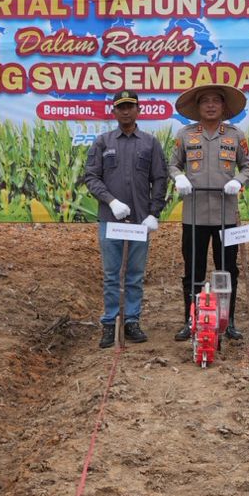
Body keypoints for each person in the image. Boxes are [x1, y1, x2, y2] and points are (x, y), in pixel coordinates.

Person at [168, 83, 249, 343]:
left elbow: (248, 167)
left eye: (216, 100)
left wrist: (238, 181)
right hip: (194, 215)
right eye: (205, 101)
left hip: (226, 216)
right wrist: (179, 177)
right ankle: (191, 319)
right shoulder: (185, 134)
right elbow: (173, 165)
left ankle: (227, 320)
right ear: (198, 107)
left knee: (227, 271)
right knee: (193, 270)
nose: (211, 105)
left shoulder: (235, 135)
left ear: (224, 106)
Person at [82, 91, 166, 348]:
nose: (126, 111)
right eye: (121, 107)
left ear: (138, 110)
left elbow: (160, 179)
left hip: (140, 220)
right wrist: (111, 201)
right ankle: (110, 322)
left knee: (134, 274)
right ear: (114, 111)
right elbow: (91, 177)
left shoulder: (150, 143)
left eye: (130, 106)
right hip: (111, 219)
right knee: (111, 273)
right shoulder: (102, 142)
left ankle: (131, 320)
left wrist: (154, 213)